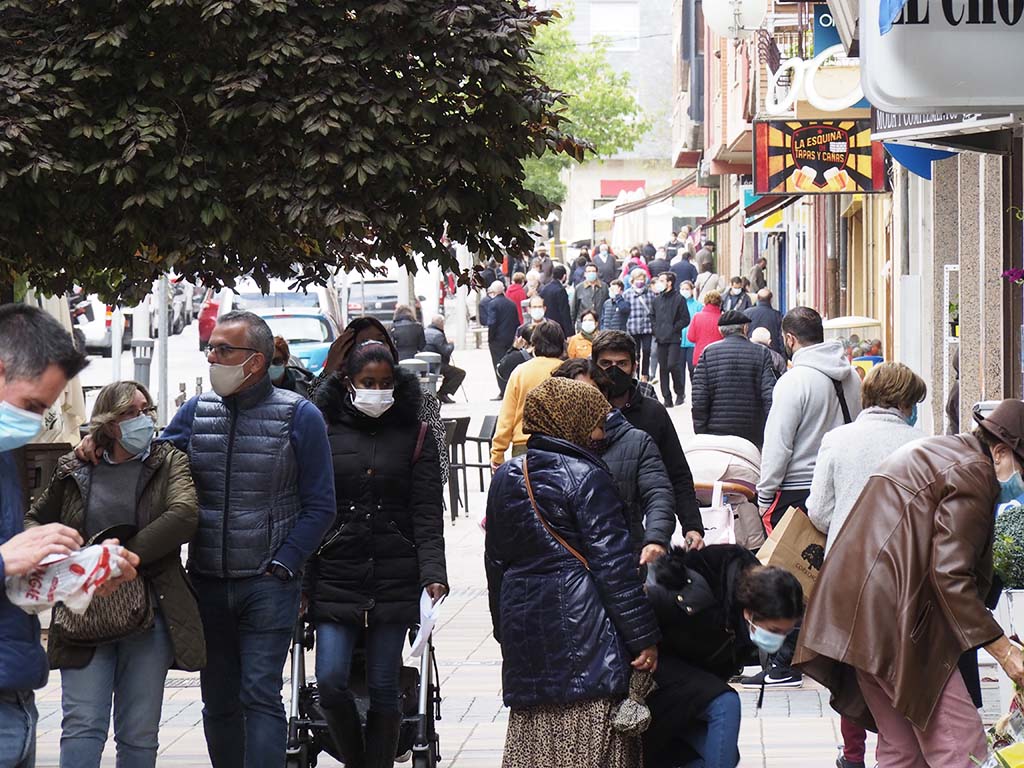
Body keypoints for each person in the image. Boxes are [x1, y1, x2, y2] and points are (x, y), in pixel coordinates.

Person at [796, 400, 1024, 768]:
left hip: (861, 616)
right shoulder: (973, 473)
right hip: (897, 624)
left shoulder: (944, 451)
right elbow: (950, 576)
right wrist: (1005, 652)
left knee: (902, 749)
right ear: (1000, 453)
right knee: (961, 746)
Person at [152, 311, 336, 768]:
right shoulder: (196, 412)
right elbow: (152, 465)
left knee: (259, 693)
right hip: (208, 580)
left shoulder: (299, 414)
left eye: (222, 349)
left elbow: (321, 505)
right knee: (217, 699)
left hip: (266, 583)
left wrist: (285, 564)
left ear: (255, 361)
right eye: (211, 348)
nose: (212, 357)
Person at [485, 377, 661, 768]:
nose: (601, 433)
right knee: (591, 736)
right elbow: (614, 569)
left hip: (525, 628)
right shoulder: (586, 477)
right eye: (596, 422)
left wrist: (505, 630)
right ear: (573, 421)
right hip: (586, 634)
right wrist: (644, 638)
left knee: (536, 739)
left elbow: (495, 564)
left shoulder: (505, 477)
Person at [27, 381, 202, 768]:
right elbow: (35, 520)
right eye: (131, 412)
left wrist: (121, 559)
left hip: (151, 611)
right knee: (82, 724)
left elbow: (184, 514)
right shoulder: (74, 467)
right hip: (82, 611)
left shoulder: (168, 460)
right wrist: (54, 555)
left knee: (139, 732)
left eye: (146, 410)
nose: (144, 419)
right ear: (108, 421)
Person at [0, 304, 135, 768]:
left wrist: (74, 576)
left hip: (15, 689)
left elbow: (11, 576)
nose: (36, 422)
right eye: (33, 405)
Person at [307, 341, 446, 768]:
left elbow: (426, 512)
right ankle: (358, 760)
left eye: (385, 384)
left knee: (386, 684)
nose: (377, 391)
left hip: (395, 574)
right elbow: (311, 507)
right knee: (330, 680)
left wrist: (433, 572)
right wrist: (302, 579)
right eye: (368, 383)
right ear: (349, 383)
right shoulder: (323, 432)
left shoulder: (415, 436)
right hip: (336, 571)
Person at [805, 362, 926, 768]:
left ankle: (854, 755)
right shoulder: (923, 443)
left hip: (846, 575)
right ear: (907, 402)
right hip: (904, 576)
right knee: (896, 672)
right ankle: (897, 751)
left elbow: (819, 511)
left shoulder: (838, 440)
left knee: (854, 671)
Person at [746, 307, 861, 690]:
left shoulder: (793, 383)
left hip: (796, 488)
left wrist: (765, 493)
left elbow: (778, 444)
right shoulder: (851, 378)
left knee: (786, 574)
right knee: (827, 574)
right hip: (842, 485)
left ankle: (782, 664)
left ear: (790, 340)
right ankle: (826, 655)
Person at [646, 548, 804, 768]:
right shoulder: (697, 594)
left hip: (684, 689)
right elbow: (642, 604)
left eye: (785, 633)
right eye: (774, 630)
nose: (778, 639)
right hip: (653, 673)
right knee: (725, 704)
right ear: (750, 613)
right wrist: (645, 644)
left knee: (719, 754)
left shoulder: (739, 623)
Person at [552, 360, 676, 566]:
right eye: (575, 394)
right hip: (565, 566)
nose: (585, 401)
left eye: (591, 393)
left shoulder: (637, 442)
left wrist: (656, 538)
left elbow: (658, 493)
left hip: (624, 560)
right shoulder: (549, 447)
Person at [591, 331, 705, 550]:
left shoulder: (653, 413)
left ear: (634, 366)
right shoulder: (583, 413)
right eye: (605, 363)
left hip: (645, 530)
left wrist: (691, 525)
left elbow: (677, 473)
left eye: (621, 363)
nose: (613, 370)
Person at [314, 316, 449, 483]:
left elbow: (438, 465)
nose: (374, 347)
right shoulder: (331, 404)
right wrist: (329, 371)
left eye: (380, 340)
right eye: (363, 342)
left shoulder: (421, 401)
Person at [690, 311, 777, 449]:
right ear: (745, 328)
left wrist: (701, 431)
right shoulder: (761, 352)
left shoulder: (708, 352)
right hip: (752, 432)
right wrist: (771, 429)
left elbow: (699, 397)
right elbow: (769, 395)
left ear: (720, 331)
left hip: (717, 433)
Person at [491, 321, 567, 466]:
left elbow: (507, 416)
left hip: (524, 445)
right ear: (561, 344)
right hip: (561, 446)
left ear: (534, 344)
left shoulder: (520, 371)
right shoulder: (568, 371)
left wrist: (497, 454)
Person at [651, 272, 689, 407]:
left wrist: (674, 328)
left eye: (662, 280)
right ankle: (667, 397)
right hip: (660, 338)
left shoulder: (679, 299)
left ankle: (680, 391)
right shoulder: (656, 300)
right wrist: (655, 330)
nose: (659, 283)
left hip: (674, 338)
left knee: (672, 364)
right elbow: (652, 316)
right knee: (663, 368)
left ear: (669, 283)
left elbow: (685, 319)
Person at [479, 281, 521, 398]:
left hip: (497, 340)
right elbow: (516, 322)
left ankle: (503, 391)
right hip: (509, 338)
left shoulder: (493, 304)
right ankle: (511, 388)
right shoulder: (511, 304)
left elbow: (492, 323)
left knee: (498, 364)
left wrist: (490, 338)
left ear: (493, 291)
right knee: (509, 363)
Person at [423, 315, 466, 404]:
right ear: (441, 324)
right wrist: (451, 344)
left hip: (424, 363)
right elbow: (446, 351)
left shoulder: (425, 332)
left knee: (451, 372)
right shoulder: (438, 335)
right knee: (459, 373)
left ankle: (442, 393)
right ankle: (443, 393)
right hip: (436, 365)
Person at [624, 269, 655, 382]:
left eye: (642, 279)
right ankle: (635, 373)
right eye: (638, 279)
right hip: (633, 327)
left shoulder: (650, 293)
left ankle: (645, 374)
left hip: (647, 327)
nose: (640, 281)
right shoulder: (627, 294)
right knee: (635, 353)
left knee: (647, 350)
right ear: (632, 280)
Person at [678, 281, 703, 401]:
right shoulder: (677, 304)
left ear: (692, 290)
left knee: (693, 368)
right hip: (679, 341)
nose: (685, 291)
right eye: (682, 289)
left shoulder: (698, 306)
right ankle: (680, 393)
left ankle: (695, 391)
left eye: (687, 289)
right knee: (679, 368)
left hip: (693, 342)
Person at [686, 290, 724, 365]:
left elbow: (691, 337)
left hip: (700, 355)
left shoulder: (697, 316)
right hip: (718, 356)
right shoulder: (722, 318)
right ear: (719, 302)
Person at [744, 289, 784, 356]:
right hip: (772, 354)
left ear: (757, 298)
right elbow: (781, 337)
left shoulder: (747, 313)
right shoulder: (777, 315)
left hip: (750, 352)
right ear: (771, 299)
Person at [496, 326, 534, 394]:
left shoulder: (516, 358)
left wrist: (514, 348)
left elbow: (501, 371)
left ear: (524, 341)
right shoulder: (556, 359)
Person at [539, 265, 574, 338]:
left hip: (546, 324)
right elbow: (565, 312)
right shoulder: (560, 290)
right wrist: (570, 333)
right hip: (559, 327)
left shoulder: (545, 289)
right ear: (564, 276)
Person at [572, 262, 609, 326]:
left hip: (600, 323)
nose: (591, 273)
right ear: (585, 274)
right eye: (589, 271)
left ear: (597, 273)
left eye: (593, 271)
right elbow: (574, 308)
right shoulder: (579, 288)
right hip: (584, 323)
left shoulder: (604, 287)